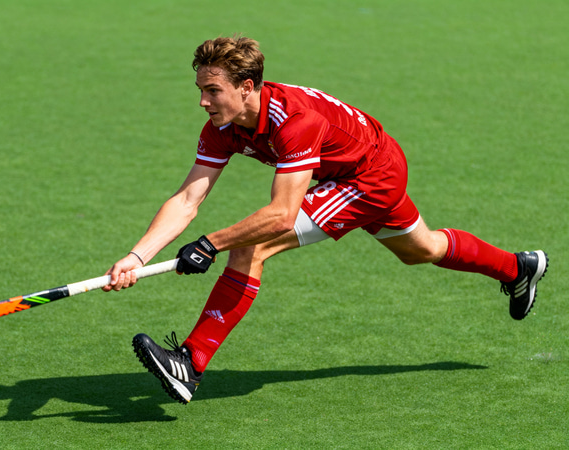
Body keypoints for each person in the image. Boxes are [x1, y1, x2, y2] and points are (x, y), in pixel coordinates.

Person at [102, 36, 549, 405]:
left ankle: (191, 363)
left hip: (370, 175)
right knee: (422, 249)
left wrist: (210, 243)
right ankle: (517, 267)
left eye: (213, 91)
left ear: (247, 87)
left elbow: (282, 215)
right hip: (354, 168)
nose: (202, 101)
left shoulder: (296, 121)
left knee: (250, 246)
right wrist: (137, 257)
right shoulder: (223, 125)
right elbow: (186, 199)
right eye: (200, 89)